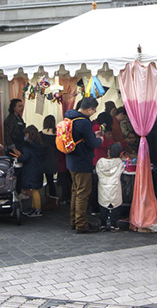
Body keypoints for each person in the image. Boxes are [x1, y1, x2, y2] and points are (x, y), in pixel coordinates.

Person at [65, 97, 103, 233]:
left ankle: (74, 221)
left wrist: (92, 136)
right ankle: (81, 224)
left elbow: (80, 138)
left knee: (75, 191)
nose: (94, 113)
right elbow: (92, 143)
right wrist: (99, 139)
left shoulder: (69, 117)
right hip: (82, 161)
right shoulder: (84, 122)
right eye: (94, 110)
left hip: (71, 160)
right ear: (89, 109)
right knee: (83, 193)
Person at [11, 125, 46, 217]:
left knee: (34, 191)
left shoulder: (28, 147)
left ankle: (37, 209)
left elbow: (25, 158)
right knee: (35, 190)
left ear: (28, 135)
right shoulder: (40, 145)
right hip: (38, 169)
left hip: (31, 170)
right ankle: (34, 208)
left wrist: (18, 158)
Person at [96, 142, 125, 231]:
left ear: (108, 151)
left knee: (103, 206)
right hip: (115, 187)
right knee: (115, 207)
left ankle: (103, 224)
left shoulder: (100, 162)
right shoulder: (119, 163)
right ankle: (113, 224)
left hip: (103, 187)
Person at [40, 115, 58, 200]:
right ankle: (53, 197)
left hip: (43, 159)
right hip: (54, 159)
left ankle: (42, 197)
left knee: (42, 179)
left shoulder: (40, 134)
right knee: (51, 180)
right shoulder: (56, 135)